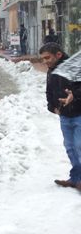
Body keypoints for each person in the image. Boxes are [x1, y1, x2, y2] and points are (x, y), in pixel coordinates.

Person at [39, 42, 81, 190]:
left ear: (58, 54)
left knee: (79, 146)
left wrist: (74, 95)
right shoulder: (51, 70)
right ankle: (75, 178)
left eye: (47, 58)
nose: (45, 61)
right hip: (65, 116)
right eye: (43, 59)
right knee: (70, 148)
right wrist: (52, 107)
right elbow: (49, 91)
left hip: (79, 114)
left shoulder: (74, 66)